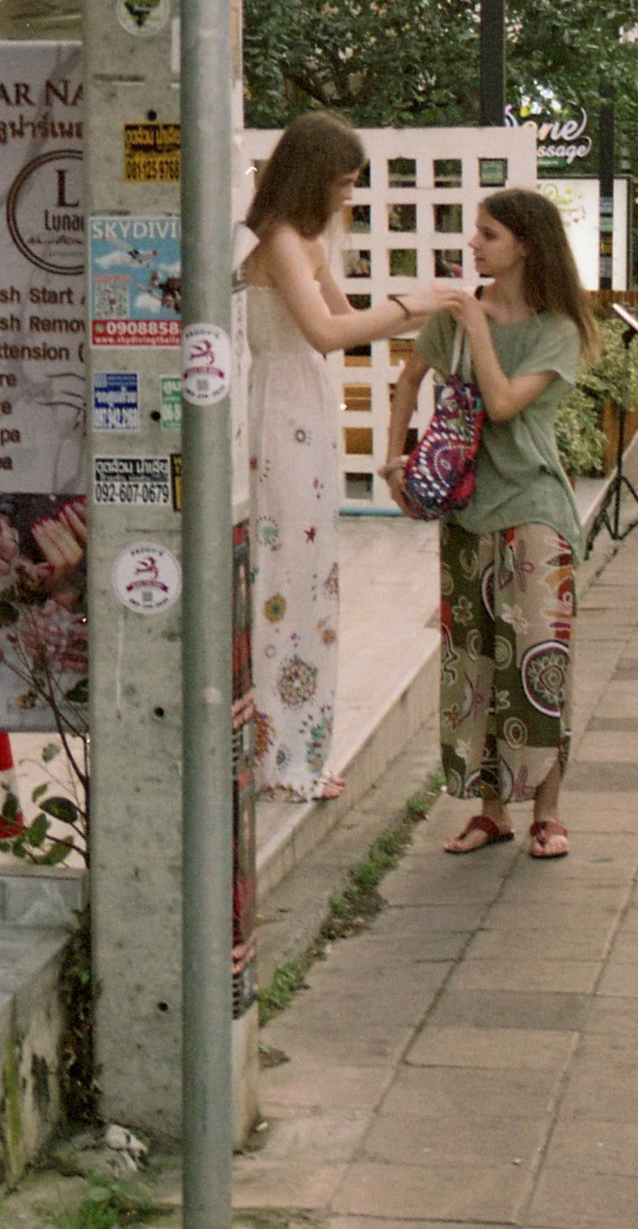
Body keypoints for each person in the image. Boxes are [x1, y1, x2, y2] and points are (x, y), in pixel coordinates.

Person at [390, 188, 596, 860]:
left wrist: (475, 321)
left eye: (489, 235)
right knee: (476, 662)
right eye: (475, 232)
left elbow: (504, 403)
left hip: (535, 507)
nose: (474, 245)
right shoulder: (454, 318)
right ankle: (491, 810)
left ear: (526, 245)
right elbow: (409, 376)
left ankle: (549, 810)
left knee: (539, 661)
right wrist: (395, 460)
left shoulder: (556, 328)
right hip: (468, 507)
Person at [240, 111, 433, 802]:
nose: (347, 195)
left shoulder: (303, 240)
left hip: (307, 409)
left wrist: (434, 308)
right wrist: (415, 301)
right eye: (343, 182)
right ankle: (282, 751)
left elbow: (353, 322)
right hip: (285, 408)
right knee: (288, 575)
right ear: (312, 176)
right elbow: (327, 331)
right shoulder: (284, 239)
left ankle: (300, 746)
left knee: (310, 577)